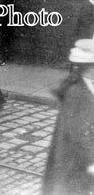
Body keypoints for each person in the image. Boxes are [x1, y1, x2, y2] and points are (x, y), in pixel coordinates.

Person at [43, 39, 94, 195]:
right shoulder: (77, 91)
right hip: (74, 159)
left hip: (78, 158)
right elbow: (79, 131)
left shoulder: (86, 85)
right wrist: (91, 161)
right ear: (89, 67)